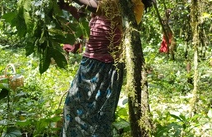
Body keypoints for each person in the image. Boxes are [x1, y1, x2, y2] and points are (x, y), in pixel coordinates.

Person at [58, 0, 153, 136]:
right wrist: (69, 8)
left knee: (99, 117)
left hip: (107, 66)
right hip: (89, 61)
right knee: (72, 107)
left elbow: (100, 8)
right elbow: (94, 18)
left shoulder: (134, 4)